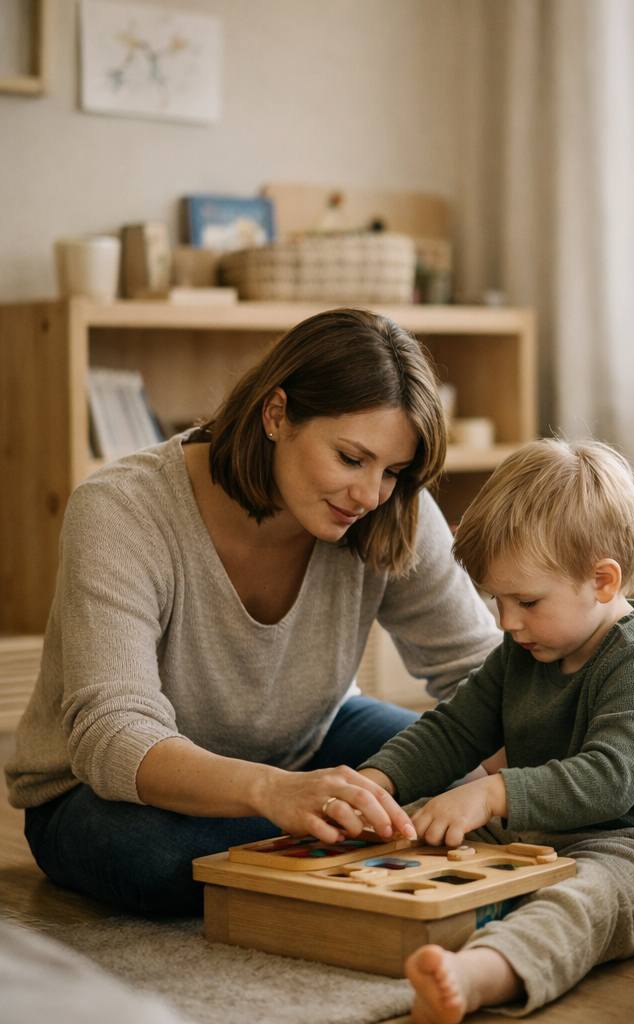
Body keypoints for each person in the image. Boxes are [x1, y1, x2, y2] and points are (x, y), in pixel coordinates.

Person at [5, 309, 502, 915]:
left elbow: (484, 675)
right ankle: (339, 848)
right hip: (102, 791)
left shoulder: (390, 510)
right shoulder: (121, 510)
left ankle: (320, 851)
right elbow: (113, 736)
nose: (370, 495)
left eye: (393, 471)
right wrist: (273, 791)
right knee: (161, 859)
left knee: (466, 785)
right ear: (276, 414)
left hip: (306, 743)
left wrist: (542, 784)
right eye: (351, 458)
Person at [355, 438, 634, 1022]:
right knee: (418, 825)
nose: (506, 621)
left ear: (603, 581)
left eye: (525, 600)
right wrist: (375, 785)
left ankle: (480, 975)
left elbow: (610, 781)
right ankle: (353, 931)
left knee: (582, 900)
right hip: (544, 835)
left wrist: (492, 792)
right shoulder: (523, 649)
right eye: (496, 599)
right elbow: (452, 730)